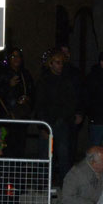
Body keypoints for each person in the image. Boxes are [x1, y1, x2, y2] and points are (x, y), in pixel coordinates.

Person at [36, 48, 83, 180]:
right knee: (45, 155)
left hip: (63, 122)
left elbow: (74, 98)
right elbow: (39, 104)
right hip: (48, 123)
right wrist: (42, 126)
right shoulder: (44, 80)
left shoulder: (67, 79)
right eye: (57, 62)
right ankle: (43, 183)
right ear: (50, 64)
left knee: (64, 155)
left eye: (61, 62)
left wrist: (76, 113)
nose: (60, 65)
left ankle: (65, 183)